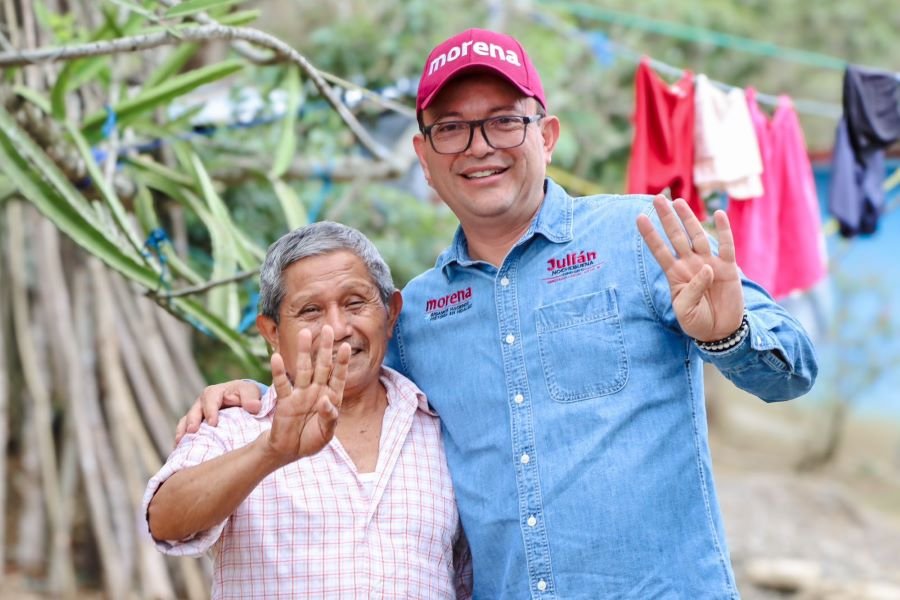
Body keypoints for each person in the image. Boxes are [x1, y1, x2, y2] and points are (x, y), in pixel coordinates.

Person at [180, 29, 817, 598]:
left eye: (504, 121)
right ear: (424, 159)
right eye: (451, 127)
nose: (479, 146)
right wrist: (249, 396)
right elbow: (341, 385)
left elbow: (792, 373)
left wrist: (729, 335)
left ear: (546, 134)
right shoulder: (418, 311)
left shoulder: (645, 237)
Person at [143, 222, 471, 599]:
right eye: (311, 311)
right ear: (270, 332)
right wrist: (270, 451)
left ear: (391, 313)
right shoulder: (234, 425)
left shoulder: (440, 430)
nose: (337, 328)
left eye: (354, 303)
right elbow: (164, 520)